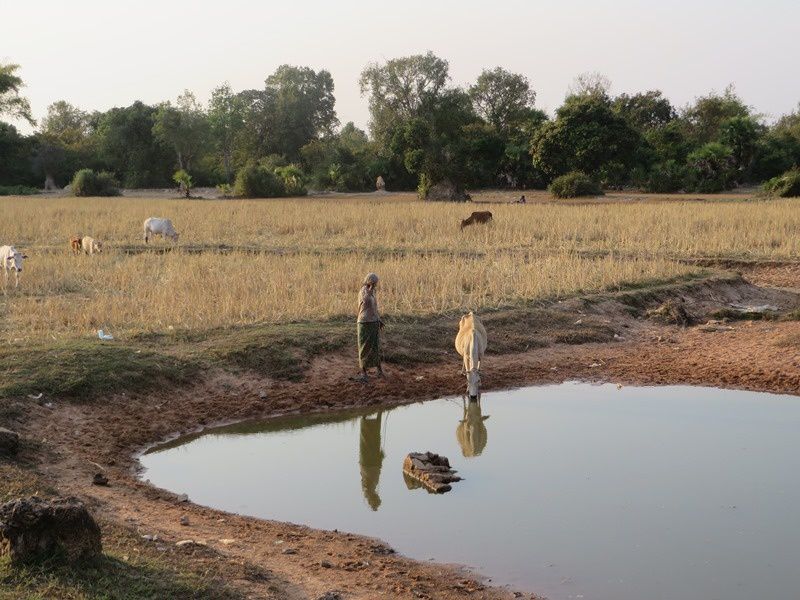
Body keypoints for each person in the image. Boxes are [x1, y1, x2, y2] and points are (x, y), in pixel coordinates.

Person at [354, 272, 384, 382]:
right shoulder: (363, 291)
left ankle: (379, 371)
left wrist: (379, 320)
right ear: (369, 282)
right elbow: (365, 302)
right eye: (374, 283)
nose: (376, 285)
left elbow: (374, 308)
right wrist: (370, 289)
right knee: (364, 348)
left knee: (375, 347)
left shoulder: (373, 292)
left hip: (373, 322)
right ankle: (364, 372)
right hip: (364, 323)